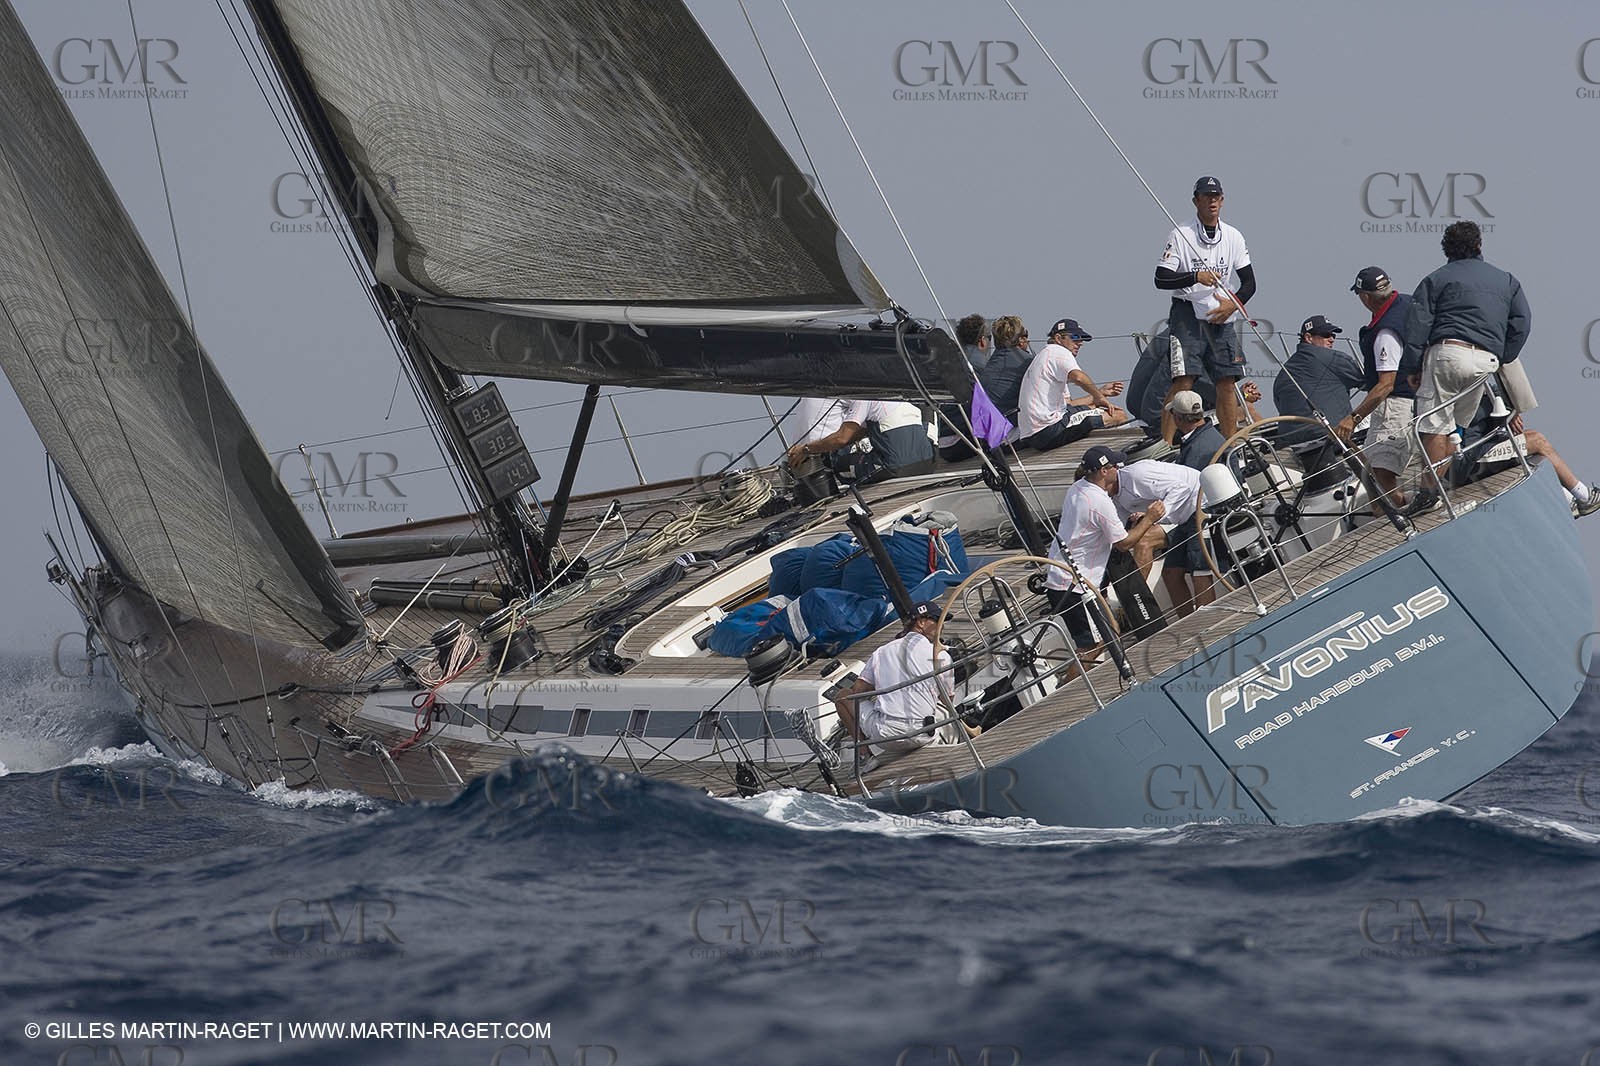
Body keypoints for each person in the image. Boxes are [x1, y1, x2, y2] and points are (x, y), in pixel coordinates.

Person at [1400, 221, 1531, 515]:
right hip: (1485, 362)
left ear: (1447, 249)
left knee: (1434, 426)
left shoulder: (1435, 279)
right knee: (1456, 429)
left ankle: (1429, 492)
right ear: (1479, 245)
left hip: (1447, 353)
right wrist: (1502, 355)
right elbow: (1522, 324)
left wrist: (1412, 368)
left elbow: (1417, 327)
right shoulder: (1508, 280)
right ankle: (1442, 485)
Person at [1155, 175, 1257, 442]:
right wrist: (1194, 276)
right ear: (1195, 200)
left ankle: (1229, 442)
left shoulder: (1234, 236)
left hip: (1221, 314)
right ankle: (1165, 445)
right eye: (1205, 197)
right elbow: (1160, 278)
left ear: (1222, 201)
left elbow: (1249, 283)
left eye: (1216, 197)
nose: (1211, 201)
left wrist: (1232, 304)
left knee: (1227, 381)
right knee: (1184, 380)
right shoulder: (1180, 234)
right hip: (1187, 313)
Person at [1045, 445, 1166, 662]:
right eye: (1115, 466)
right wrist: (1149, 517)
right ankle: (1073, 687)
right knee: (1096, 643)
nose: (1119, 469)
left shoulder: (1078, 488)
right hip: (1074, 587)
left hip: (1065, 579)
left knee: (1110, 631)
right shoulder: (1099, 502)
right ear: (1104, 471)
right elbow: (1123, 544)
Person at [831, 600, 954, 757]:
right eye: (937, 620)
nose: (942, 626)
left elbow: (856, 693)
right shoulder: (941, 655)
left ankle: (865, 756)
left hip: (886, 738)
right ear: (921, 622)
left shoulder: (881, 652)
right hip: (923, 734)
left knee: (842, 697)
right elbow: (948, 700)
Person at [1343, 267, 1415, 513]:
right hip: (1422, 395)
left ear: (1365, 297)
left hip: (1397, 406)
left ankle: (1402, 519)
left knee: (1377, 477)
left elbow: (1386, 385)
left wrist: (1353, 419)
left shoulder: (1385, 333)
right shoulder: (1408, 304)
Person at [1017, 317, 1129, 452]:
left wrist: (1101, 392)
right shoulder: (1058, 352)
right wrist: (1099, 397)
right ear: (1058, 338)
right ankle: (1117, 459)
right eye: (1075, 337)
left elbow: (1069, 403)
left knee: (1094, 407)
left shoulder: (1046, 357)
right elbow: (1079, 377)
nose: (1080, 342)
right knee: (1118, 415)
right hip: (1049, 429)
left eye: (1081, 338)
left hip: (1035, 435)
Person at [1162, 390, 1223, 616]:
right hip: (1190, 514)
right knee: (1171, 572)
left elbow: (1187, 487)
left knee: (1200, 570)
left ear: (1177, 418)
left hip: (1203, 514)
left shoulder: (1199, 448)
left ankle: (1207, 622)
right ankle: (1187, 621)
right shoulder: (1203, 438)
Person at [785, 398, 935, 483]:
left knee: (842, 468)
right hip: (927, 462)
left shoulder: (864, 398)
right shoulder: (896, 397)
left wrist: (806, 449)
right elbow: (861, 432)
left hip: (895, 468)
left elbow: (842, 438)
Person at [1112, 456, 1202, 582]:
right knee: (1170, 574)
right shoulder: (1113, 499)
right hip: (1179, 517)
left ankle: (1136, 593)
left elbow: (1182, 488)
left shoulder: (1136, 475)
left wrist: (1154, 516)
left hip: (1199, 503)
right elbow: (1119, 536)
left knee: (1144, 540)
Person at [976, 315, 1032, 423]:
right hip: (1006, 428)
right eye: (1025, 335)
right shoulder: (1028, 362)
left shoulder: (991, 362)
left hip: (984, 428)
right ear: (1020, 339)